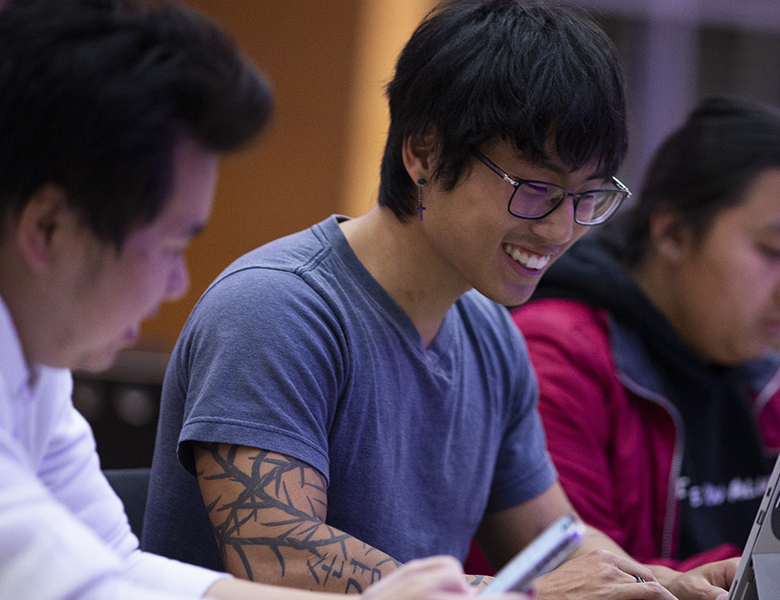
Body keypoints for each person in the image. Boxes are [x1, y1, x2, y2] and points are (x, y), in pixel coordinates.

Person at [142, 1, 735, 599]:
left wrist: (658, 583)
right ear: (423, 150)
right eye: (535, 190)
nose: (561, 231)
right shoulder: (277, 308)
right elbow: (281, 558)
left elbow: (555, 541)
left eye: (588, 198)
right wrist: (523, 595)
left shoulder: (490, 334)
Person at [0, 1, 518, 600]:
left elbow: (116, 563)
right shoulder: (277, 301)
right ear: (48, 227)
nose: (178, 284)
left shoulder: (36, 370)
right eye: (169, 246)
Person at [511, 97, 780, 572]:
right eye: (773, 250)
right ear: (673, 232)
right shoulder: (555, 354)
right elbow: (577, 578)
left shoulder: (759, 376)